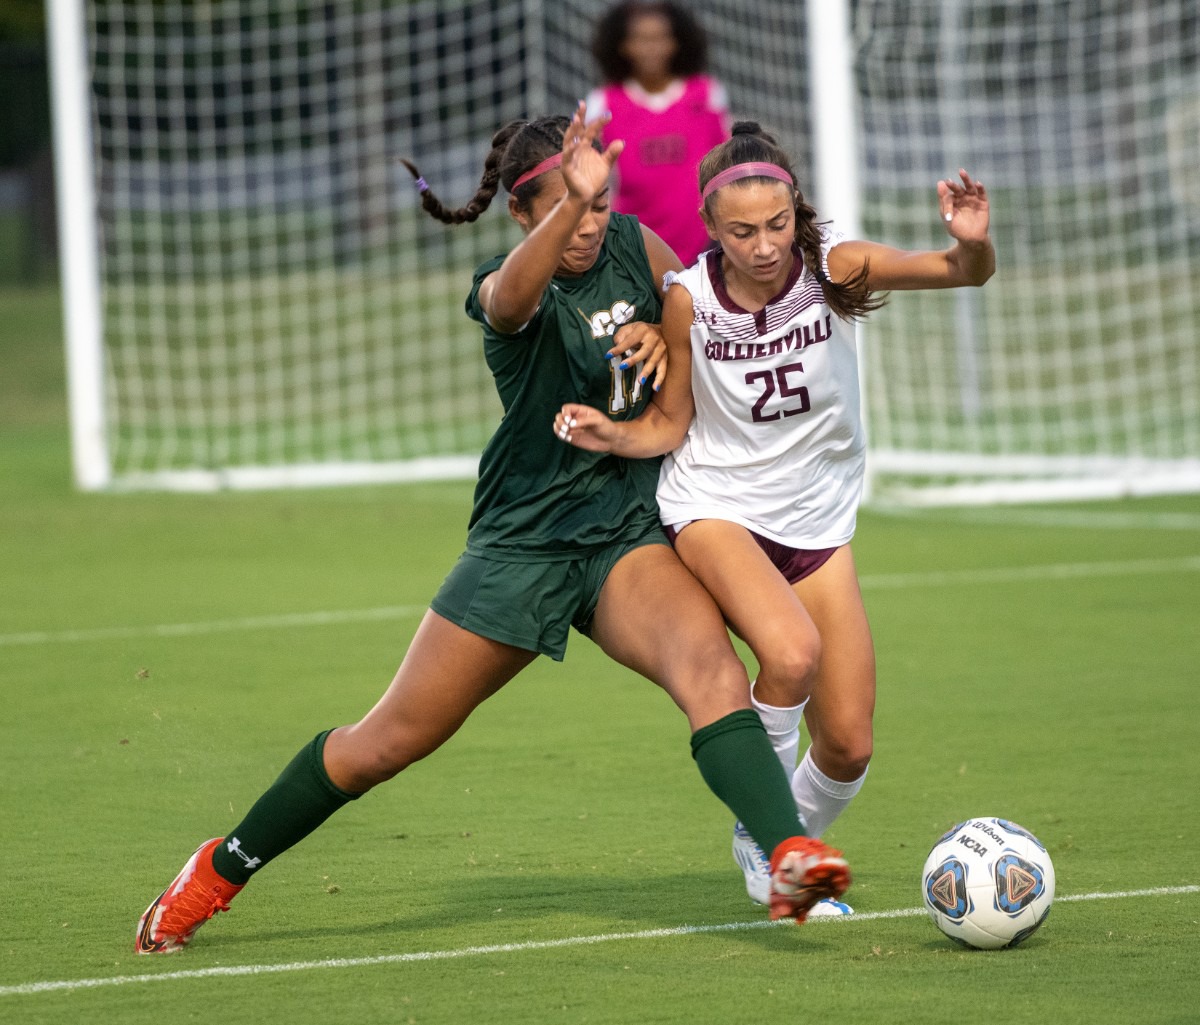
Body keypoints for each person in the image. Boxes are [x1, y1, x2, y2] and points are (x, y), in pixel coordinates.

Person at [134, 107, 852, 955]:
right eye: (567, 207)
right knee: (383, 744)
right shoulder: (503, 283)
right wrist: (563, 222)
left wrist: (661, 339)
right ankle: (219, 867)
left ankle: (786, 857)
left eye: (597, 203)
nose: (589, 223)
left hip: (622, 534)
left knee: (712, 672)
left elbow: (685, 318)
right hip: (521, 548)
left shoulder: (634, 243)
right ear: (523, 213)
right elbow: (510, 302)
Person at [554, 121, 994, 910]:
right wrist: (615, 433)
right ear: (711, 228)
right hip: (717, 505)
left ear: (797, 209)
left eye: (778, 224)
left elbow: (961, 272)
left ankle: (782, 830)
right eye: (742, 231)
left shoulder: (835, 267)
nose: (764, 246)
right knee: (791, 654)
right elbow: (671, 423)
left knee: (850, 743)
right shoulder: (688, 298)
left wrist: (970, 244)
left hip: (819, 522)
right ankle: (773, 837)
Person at [585, 1, 730, 266]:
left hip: (705, 244)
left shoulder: (706, 94)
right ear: (622, 45)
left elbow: (727, 165)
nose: (651, 47)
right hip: (631, 247)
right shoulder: (603, 103)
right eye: (640, 39)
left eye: (661, 38)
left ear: (677, 42)